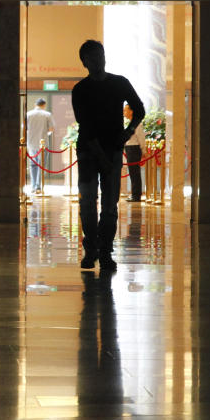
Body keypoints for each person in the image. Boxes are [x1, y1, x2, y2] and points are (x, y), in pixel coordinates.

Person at [72, 40, 144, 272]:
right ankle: (91, 248)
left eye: (100, 55)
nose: (98, 60)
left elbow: (139, 108)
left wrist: (128, 132)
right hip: (88, 151)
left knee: (109, 204)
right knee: (87, 203)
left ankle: (105, 251)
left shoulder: (119, 83)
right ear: (84, 62)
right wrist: (102, 154)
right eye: (92, 58)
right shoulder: (81, 89)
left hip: (111, 150)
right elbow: (86, 125)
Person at [26, 97, 55, 194]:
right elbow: (51, 129)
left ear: (35, 105)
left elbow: (25, 128)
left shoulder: (28, 114)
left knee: (33, 165)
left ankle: (33, 186)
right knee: (41, 165)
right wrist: (46, 132)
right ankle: (38, 187)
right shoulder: (47, 114)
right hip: (43, 143)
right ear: (44, 105)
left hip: (31, 143)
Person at [123, 103, 146, 202]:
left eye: (126, 110)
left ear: (131, 111)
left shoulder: (137, 123)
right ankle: (134, 194)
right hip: (129, 148)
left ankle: (136, 195)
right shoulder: (130, 122)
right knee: (132, 173)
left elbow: (141, 138)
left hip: (134, 149)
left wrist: (144, 151)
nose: (124, 112)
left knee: (135, 173)